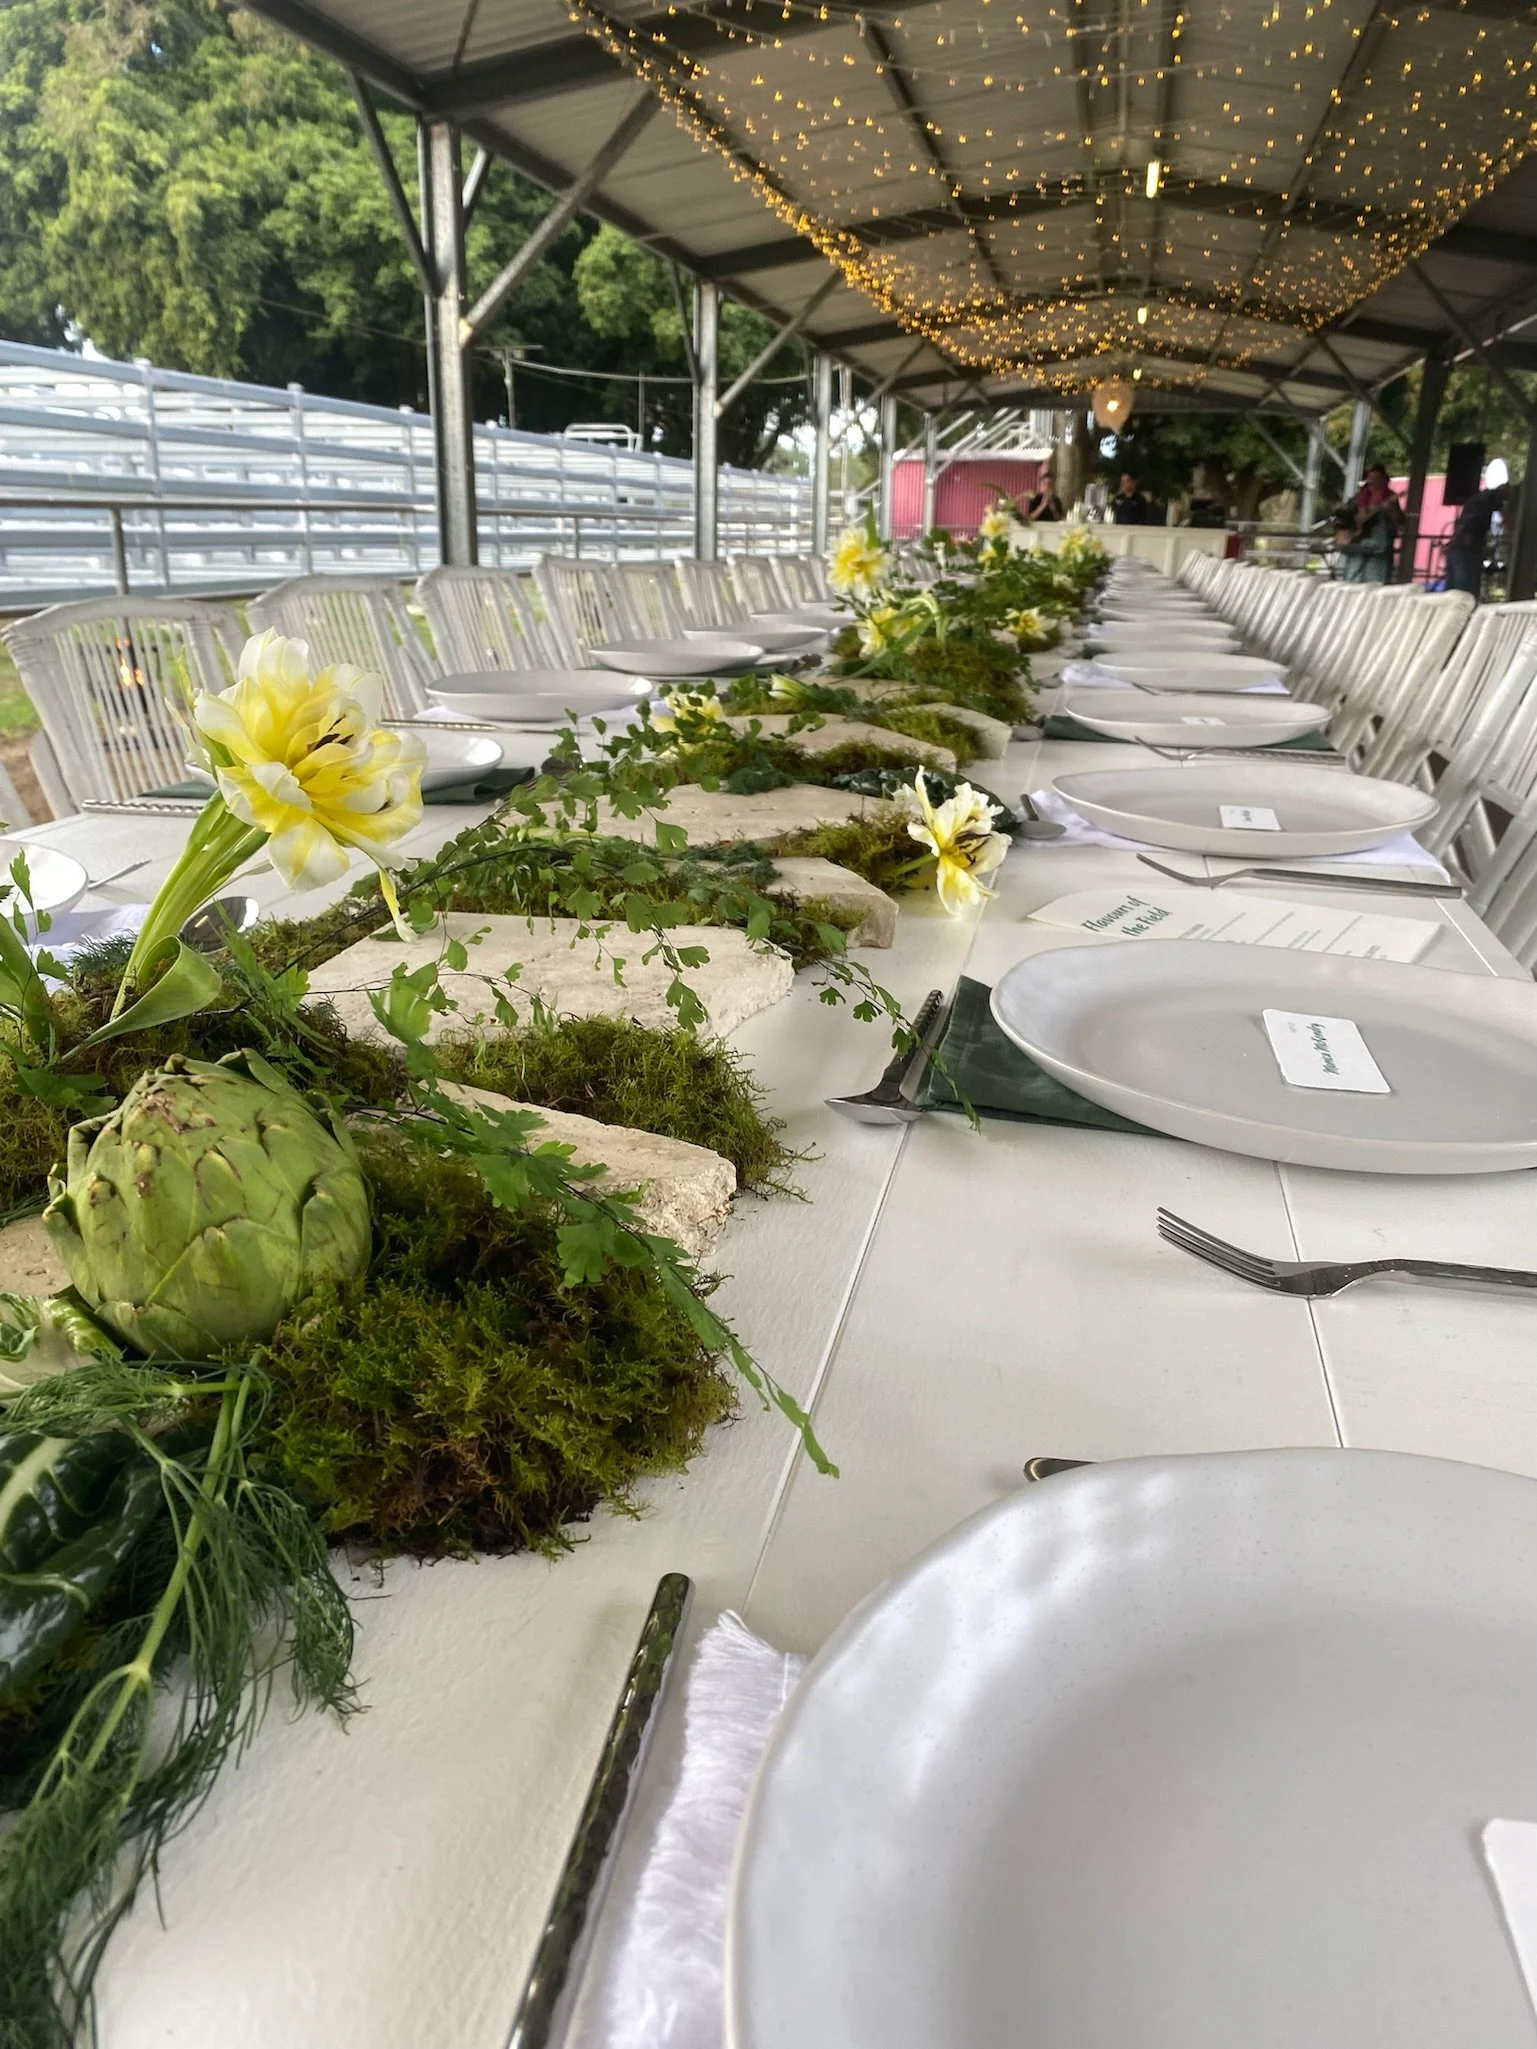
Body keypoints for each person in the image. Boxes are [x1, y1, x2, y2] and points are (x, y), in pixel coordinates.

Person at [1443, 458, 1509, 595]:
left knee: (1453, 591)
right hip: (1468, 547)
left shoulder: (1478, 498)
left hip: (1457, 546)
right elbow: (1509, 520)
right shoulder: (1493, 496)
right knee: (1465, 592)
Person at [1346, 464, 1403, 583]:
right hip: (1361, 543)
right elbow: (1355, 518)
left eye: (1376, 479)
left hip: (1381, 546)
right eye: (1370, 479)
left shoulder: (1390, 496)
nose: (1372, 482)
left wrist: (1389, 509)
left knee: (1376, 579)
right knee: (1354, 577)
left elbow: (1399, 521)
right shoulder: (1362, 497)